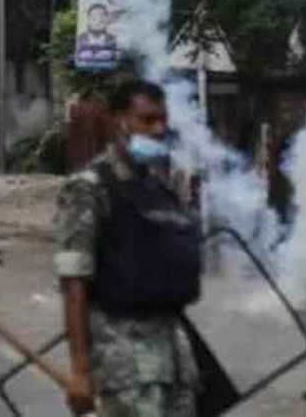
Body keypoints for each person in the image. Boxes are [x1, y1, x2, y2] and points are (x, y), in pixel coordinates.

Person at [56, 79, 203, 417]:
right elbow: (74, 282)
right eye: (147, 119)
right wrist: (80, 371)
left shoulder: (160, 189)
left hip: (177, 363)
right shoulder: (89, 188)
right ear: (117, 121)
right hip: (127, 368)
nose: (158, 129)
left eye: (163, 120)